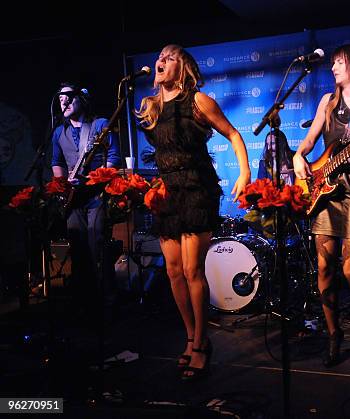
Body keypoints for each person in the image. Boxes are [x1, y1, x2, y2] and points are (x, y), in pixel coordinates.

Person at [136, 44, 250, 381]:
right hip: (168, 192)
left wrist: (243, 173)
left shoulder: (198, 101)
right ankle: (189, 337)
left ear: (183, 69)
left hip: (198, 189)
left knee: (191, 269)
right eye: (159, 56)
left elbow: (233, 134)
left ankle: (202, 342)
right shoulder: (151, 106)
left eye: (170, 58)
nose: (161, 61)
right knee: (173, 271)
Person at [293, 44, 350, 373]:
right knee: (323, 268)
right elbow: (311, 140)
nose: (333, 68)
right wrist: (298, 156)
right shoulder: (327, 102)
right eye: (332, 63)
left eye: (340, 63)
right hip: (324, 191)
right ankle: (334, 335)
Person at [51, 83, 120, 314]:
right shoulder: (58, 132)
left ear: (81, 99)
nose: (64, 102)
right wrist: (63, 187)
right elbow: (56, 162)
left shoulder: (99, 125)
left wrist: (92, 180)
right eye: (61, 99)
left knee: (97, 244)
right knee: (78, 247)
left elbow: (113, 157)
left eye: (69, 97)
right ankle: (84, 300)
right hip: (73, 199)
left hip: (96, 196)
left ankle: (108, 299)